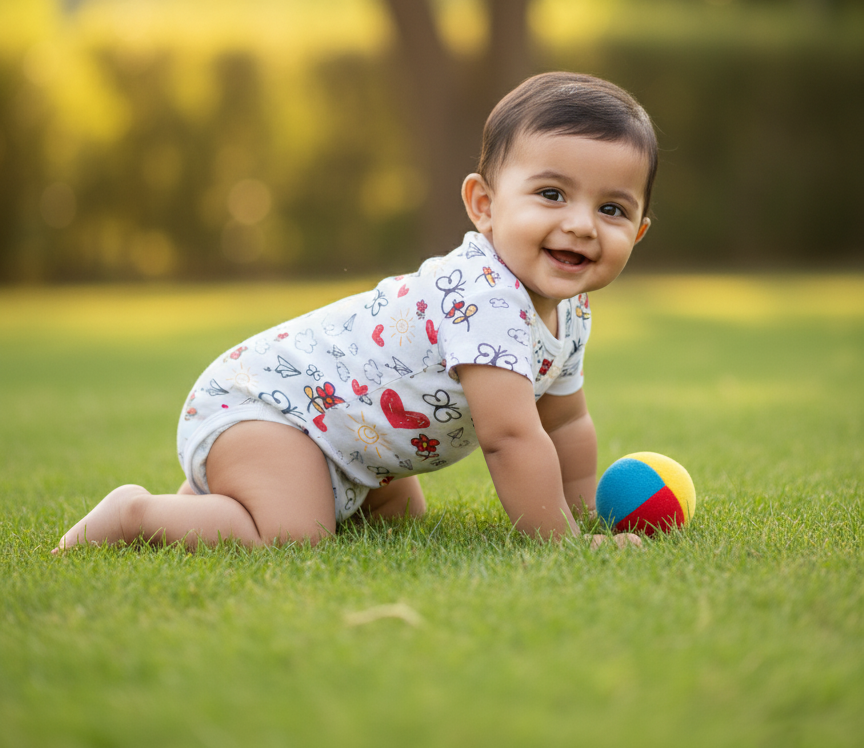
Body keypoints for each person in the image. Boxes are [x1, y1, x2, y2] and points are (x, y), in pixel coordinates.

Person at [55, 71, 656, 553]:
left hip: (344, 438)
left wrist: (584, 516)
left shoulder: (570, 309)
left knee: (395, 521)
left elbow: (565, 423)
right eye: (551, 194)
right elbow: (512, 436)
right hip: (270, 409)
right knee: (293, 535)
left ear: (639, 231)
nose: (581, 225)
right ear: (484, 205)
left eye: (612, 209)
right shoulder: (486, 299)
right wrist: (562, 541)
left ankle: (222, 504)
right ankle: (136, 514)